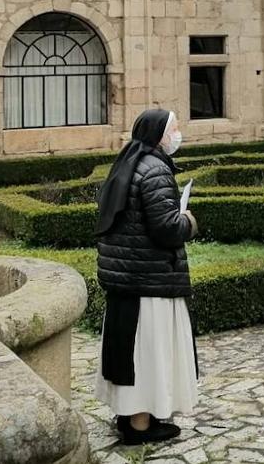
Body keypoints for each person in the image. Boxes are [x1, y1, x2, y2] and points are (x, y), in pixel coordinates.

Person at [94, 109, 199, 445]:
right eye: (175, 129)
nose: (178, 135)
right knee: (147, 352)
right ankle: (140, 425)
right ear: (159, 135)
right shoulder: (154, 168)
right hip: (148, 280)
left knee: (129, 351)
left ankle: (129, 416)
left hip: (127, 278)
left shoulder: (128, 161)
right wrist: (188, 220)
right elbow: (166, 227)